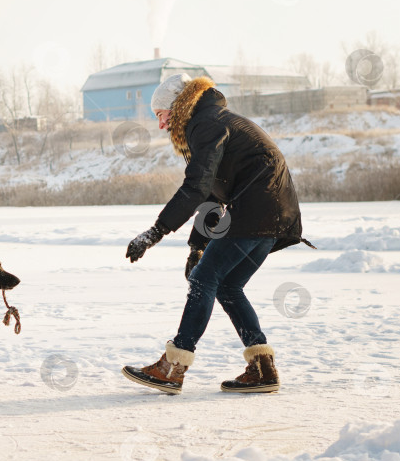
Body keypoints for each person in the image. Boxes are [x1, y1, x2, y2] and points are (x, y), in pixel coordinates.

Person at [121, 73, 314, 395]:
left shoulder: (206, 124)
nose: (161, 125)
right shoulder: (216, 120)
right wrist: (197, 246)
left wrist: (155, 232)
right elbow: (213, 194)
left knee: (203, 280)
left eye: (160, 115)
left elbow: (196, 186)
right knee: (227, 286)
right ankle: (262, 368)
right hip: (274, 214)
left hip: (256, 212)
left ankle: (173, 367)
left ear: (176, 106)